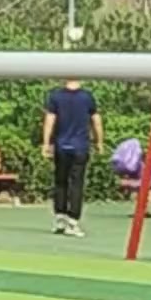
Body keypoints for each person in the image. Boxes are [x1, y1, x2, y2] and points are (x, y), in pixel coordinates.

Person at [43, 79, 103, 238]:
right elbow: (96, 121)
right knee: (76, 184)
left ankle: (60, 219)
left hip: (61, 146)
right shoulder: (87, 97)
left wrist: (46, 143)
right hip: (80, 147)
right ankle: (73, 221)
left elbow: (49, 121)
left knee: (60, 182)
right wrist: (99, 142)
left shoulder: (56, 96)